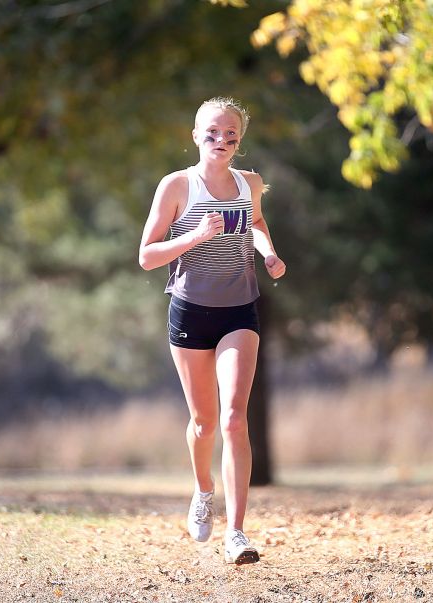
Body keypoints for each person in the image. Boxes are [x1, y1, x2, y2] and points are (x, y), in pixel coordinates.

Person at [138, 97, 286, 564]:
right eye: (213, 133)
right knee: (204, 423)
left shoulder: (250, 184)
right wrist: (197, 236)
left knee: (233, 419)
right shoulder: (177, 185)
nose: (221, 141)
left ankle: (237, 533)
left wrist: (267, 252)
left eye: (231, 136)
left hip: (239, 310)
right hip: (190, 311)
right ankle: (203, 490)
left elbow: (257, 220)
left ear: (239, 142)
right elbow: (147, 255)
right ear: (195, 134)